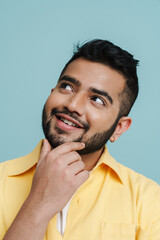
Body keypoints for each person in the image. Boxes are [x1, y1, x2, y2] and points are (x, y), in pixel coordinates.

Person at [0, 39, 160, 240]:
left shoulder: (149, 200)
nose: (73, 104)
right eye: (67, 87)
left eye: (97, 100)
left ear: (118, 128)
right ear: (52, 93)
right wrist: (39, 204)